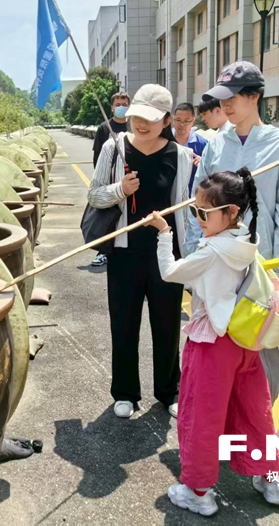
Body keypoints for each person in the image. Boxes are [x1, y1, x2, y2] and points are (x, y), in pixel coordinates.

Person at [148, 169, 279, 517]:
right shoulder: (244, 241)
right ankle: (270, 478)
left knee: (200, 416)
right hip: (245, 341)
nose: (198, 218)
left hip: (213, 342)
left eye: (204, 213)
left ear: (231, 212)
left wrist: (164, 234)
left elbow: (170, 273)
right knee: (255, 410)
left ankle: (198, 491)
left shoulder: (212, 251)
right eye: (195, 210)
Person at [187, 61, 279, 403]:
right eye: (220, 99)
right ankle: (219, 417)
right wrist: (197, 255)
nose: (223, 106)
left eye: (232, 98)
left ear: (254, 96)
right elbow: (197, 200)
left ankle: (259, 416)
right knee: (214, 337)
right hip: (216, 259)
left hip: (260, 261)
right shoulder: (216, 144)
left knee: (259, 338)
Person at [88, 84, 193, 419]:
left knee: (167, 326)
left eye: (149, 119)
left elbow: (185, 208)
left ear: (166, 120)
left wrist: (188, 256)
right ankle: (125, 393)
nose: (140, 124)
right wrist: (120, 189)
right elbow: (93, 195)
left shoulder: (178, 155)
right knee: (124, 323)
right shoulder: (113, 147)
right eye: (135, 117)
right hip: (124, 254)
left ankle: (168, 391)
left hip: (166, 254)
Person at [90, 92, 131, 267]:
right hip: (110, 183)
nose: (121, 107)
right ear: (112, 107)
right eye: (118, 104)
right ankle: (103, 251)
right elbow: (97, 157)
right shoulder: (104, 128)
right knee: (107, 218)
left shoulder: (134, 126)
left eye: (124, 103)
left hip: (130, 182)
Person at [172, 102, 208, 192]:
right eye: (178, 120)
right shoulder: (164, 141)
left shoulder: (202, 144)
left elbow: (211, 172)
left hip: (192, 195)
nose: (182, 124)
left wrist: (203, 163)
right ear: (173, 120)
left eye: (186, 121)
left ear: (193, 121)